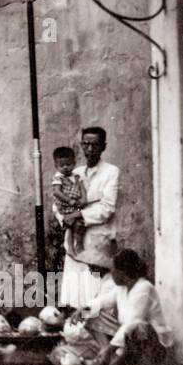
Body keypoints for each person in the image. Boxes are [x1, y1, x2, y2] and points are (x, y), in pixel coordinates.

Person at [80, 249, 174, 365]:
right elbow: (102, 301)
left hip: (154, 346)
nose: (111, 272)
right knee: (93, 314)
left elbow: (132, 322)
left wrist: (110, 348)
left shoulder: (144, 288)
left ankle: (112, 358)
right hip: (127, 339)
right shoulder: (121, 289)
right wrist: (82, 311)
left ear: (122, 272)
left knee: (138, 328)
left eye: (113, 269)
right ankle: (107, 358)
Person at [56, 126, 119, 308]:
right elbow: (56, 202)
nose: (90, 149)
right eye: (86, 144)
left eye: (95, 145)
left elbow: (107, 207)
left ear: (103, 147)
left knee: (94, 299)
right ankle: (75, 334)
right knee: (75, 297)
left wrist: (80, 214)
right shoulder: (74, 172)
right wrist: (65, 218)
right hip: (74, 241)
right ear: (81, 145)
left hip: (97, 241)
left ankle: (92, 335)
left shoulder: (111, 172)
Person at [51, 146, 86, 254]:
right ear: (56, 166)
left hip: (76, 204)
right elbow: (57, 192)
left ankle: (78, 244)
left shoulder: (76, 176)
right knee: (71, 226)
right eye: (62, 165)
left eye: (68, 164)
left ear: (74, 163)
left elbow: (81, 188)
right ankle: (71, 247)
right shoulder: (58, 177)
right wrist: (69, 200)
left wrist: (84, 198)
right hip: (65, 205)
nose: (65, 167)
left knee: (80, 223)